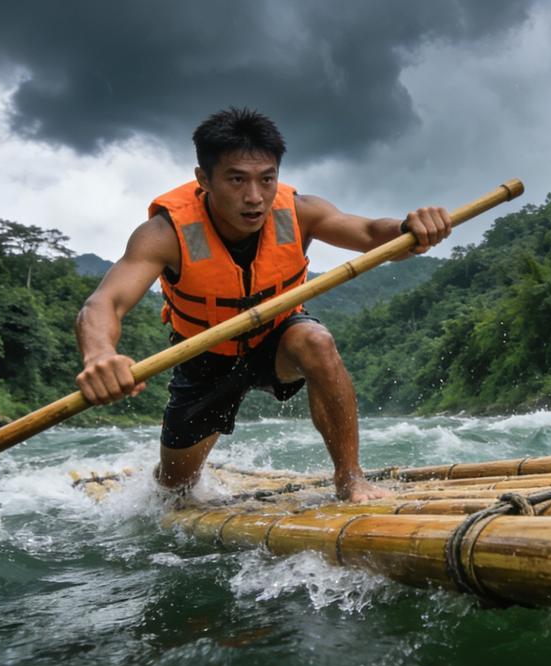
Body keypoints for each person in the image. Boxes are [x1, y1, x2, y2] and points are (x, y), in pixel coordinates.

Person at [75, 107, 450, 502]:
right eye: (236, 180)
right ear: (204, 179)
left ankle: (350, 479)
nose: (254, 197)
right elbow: (104, 303)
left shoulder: (301, 212)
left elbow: (374, 233)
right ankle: (166, 477)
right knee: (174, 490)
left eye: (266, 179)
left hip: (278, 337)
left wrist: (409, 229)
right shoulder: (165, 234)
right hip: (205, 354)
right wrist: (99, 354)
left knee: (317, 342)